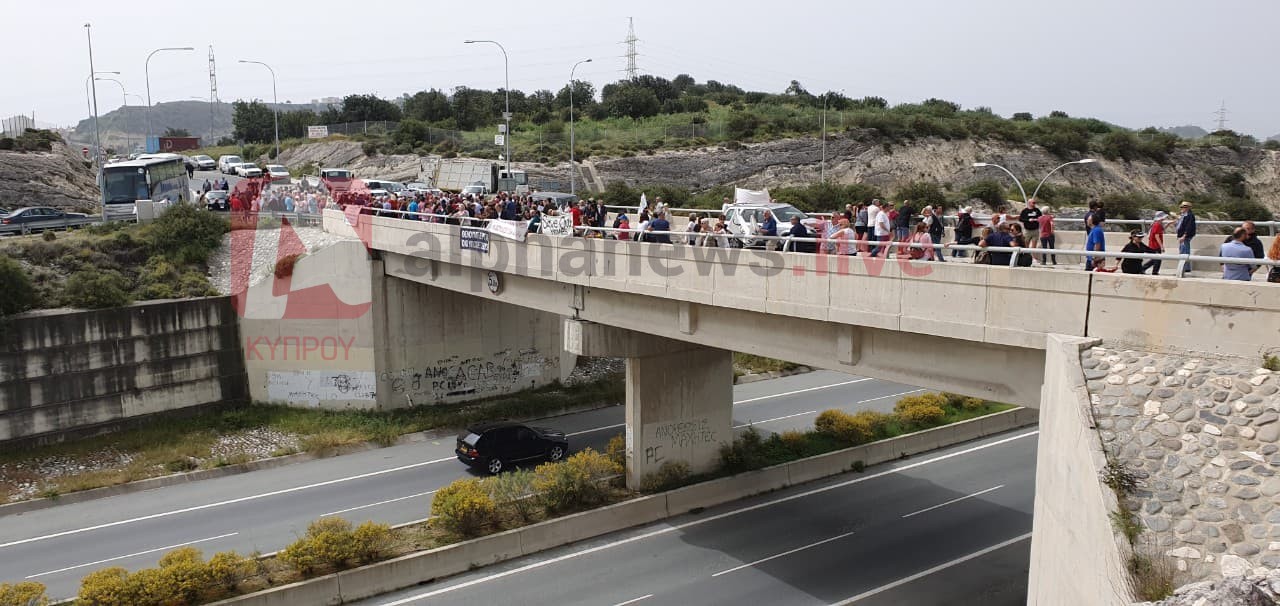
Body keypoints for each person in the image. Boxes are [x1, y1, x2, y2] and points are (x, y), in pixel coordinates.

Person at [1175, 201, 1196, 276]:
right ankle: (1186, 267)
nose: (1181, 208)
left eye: (1183, 207)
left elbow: (1189, 227)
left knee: (1184, 251)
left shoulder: (1189, 216)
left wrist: (1184, 236)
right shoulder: (1184, 215)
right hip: (1182, 235)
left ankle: (1185, 267)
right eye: (1181, 207)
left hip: (1185, 236)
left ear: (1187, 208)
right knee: (1183, 250)